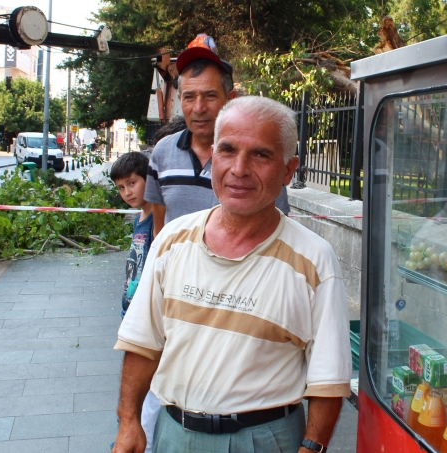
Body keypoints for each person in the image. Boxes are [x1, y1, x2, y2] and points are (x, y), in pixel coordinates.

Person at [112, 96, 352, 453]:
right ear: (214, 158)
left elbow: (328, 378)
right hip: (174, 434)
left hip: (266, 439)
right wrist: (129, 421)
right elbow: (143, 344)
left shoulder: (314, 260)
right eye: (227, 150)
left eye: (261, 154)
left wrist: (312, 448)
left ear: (288, 170)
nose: (239, 169)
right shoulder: (172, 241)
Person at [145, 34, 291, 236]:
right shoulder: (162, 153)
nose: (199, 108)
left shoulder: (254, 160)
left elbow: (277, 225)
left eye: (210, 96)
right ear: (180, 99)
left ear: (230, 98)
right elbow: (159, 227)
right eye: (189, 97)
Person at [109, 152, 160, 453]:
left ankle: (145, 443)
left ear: (149, 180)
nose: (127, 192)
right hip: (130, 310)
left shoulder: (156, 215)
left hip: (146, 313)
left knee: (148, 391)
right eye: (121, 187)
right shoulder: (140, 215)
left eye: (132, 183)